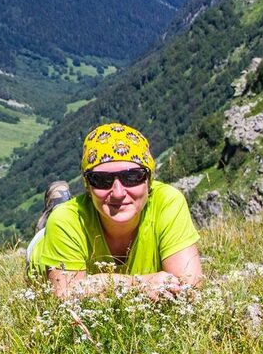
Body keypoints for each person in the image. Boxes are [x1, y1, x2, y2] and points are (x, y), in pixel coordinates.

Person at [30, 122, 202, 301]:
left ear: (149, 180)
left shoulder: (168, 202)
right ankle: (55, 207)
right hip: (46, 246)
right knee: (55, 220)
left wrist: (99, 284)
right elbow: (65, 294)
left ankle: (60, 199)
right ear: (87, 186)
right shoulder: (64, 221)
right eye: (101, 180)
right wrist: (139, 284)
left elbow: (189, 286)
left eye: (132, 177)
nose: (118, 193)